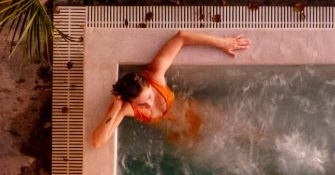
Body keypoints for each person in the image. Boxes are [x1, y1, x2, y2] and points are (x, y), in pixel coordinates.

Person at [91, 30, 252, 148]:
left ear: (147, 83)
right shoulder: (127, 107)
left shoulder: (155, 75)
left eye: (149, 98)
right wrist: (115, 108)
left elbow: (181, 37)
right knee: (224, 152)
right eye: (142, 105)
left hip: (195, 112)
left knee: (248, 134)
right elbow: (98, 141)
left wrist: (222, 43)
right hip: (179, 135)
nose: (149, 105)